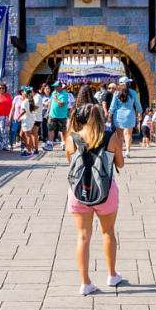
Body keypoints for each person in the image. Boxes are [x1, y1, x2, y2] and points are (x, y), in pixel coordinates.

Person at [65, 103, 125, 295]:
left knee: (83, 236)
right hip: (106, 192)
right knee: (108, 232)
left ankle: (85, 282)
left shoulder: (71, 139)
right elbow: (120, 164)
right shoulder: (111, 137)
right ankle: (112, 275)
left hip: (79, 193)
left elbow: (71, 163)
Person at [108, 81, 143, 152]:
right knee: (128, 134)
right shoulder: (133, 92)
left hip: (118, 115)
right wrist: (140, 112)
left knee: (120, 135)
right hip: (130, 115)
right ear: (128, 83)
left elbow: (113, 106)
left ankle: (120, 150)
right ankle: (128, 150)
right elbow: (137, 104)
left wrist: (110, 114)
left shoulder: (116, 93)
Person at [47, 82, 71, 147]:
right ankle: (50, 143)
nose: (55, 88)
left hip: (62, 115)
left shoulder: (64, 94)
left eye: (56, 87)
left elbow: (61, 104)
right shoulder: (53, 93)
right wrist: (48, 111)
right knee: (51, 129)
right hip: (52, 114)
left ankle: (64, 143)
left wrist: (55, 98)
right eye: (54, 87)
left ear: (60, 87)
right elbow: (51, 102)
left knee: (62, 130)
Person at [0, 83, 14, 150]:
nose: (1, 89)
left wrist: (10, 117)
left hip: (7, 116)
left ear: (5, 89)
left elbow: (12, 106)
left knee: (6, 132)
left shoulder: (8, 95)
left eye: (3, 88)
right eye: (0, 88)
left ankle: (5, 146)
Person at [19, 91, 40, 156]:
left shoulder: (25, 101)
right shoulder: (30, 101)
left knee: (28, 135)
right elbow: (36, 107)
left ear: (25, 94)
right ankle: (28, 147)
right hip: (30, 120)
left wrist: (18, 117)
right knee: (21, 134)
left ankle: (29, 151)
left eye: (22, 93)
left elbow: (23, 111)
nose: (21, 94)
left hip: (26, 120)